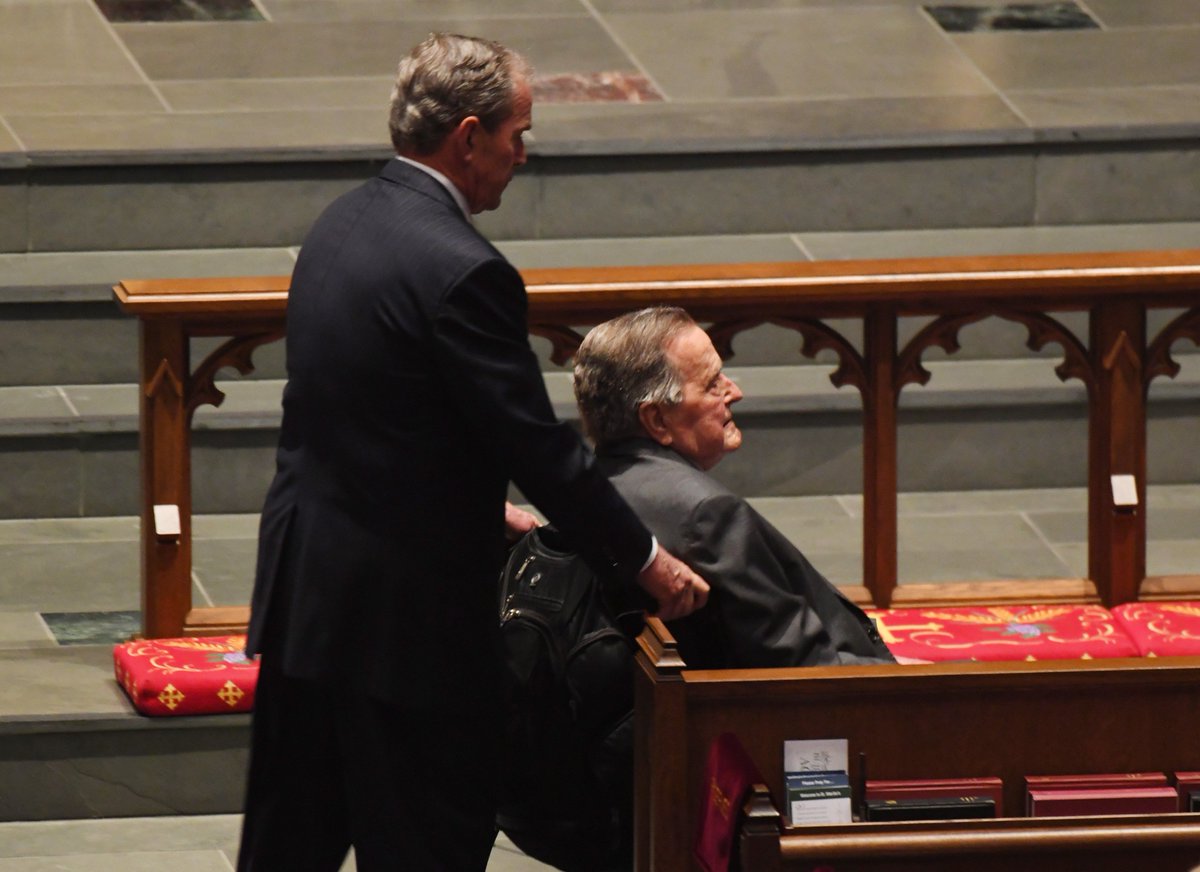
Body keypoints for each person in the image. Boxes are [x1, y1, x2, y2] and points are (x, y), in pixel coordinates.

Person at [236, 35, 708, 872]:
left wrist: (472, 502)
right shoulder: (464, 271)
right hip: (408, 633)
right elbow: (539, 447)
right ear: (467, 137)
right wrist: (644, 559)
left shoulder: (339, 226)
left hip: (309, 599)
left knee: (287, 848)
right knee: (427, 849)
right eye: (516, 135)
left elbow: (364, 417)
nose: (521, 155)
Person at [574, 306, 894, 669]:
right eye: (712, 384)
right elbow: (803, 668)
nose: (735, 392)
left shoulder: (589, 493)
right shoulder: (709, 515)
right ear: (657, 419)